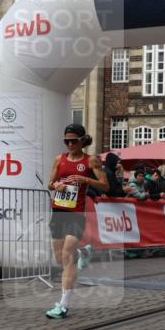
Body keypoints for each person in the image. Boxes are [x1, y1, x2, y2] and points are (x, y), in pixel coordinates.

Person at [46, 123, 108, 319]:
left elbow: (105, 186)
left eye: (73, 141)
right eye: (66, 141)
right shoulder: (59, 159)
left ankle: (63, 305)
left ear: (82, 140)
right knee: (59, 258)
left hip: (76, 213)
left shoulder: (91, 161)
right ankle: (83, 252)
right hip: (58, 211)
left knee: (67, 255)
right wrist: (57, 185)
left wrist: (87, 181)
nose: (70, 144)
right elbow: (50, 184)